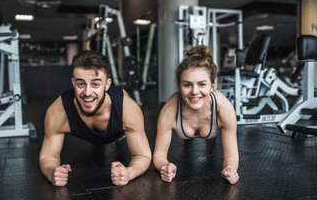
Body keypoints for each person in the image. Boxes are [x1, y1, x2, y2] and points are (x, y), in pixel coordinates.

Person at [39, 50, 151, 187]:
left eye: (95, 84)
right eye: (81, 84)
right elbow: (48, 157)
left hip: (116, 130)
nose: (87, 92)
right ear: (73, 83)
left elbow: (142, 155)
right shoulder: (58, 111)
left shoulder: (127, 110)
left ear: (107, 84)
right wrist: (51, 172)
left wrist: (129, 172)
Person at [153, 45, 239, 184]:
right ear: (179, 86)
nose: (194, 91)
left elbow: (231, 155)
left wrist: (230, 169)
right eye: (187, 85)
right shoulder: (170, 109)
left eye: (201, 84)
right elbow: (159, 155)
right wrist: (166, 167)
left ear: (212, 85)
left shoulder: (223, 108)